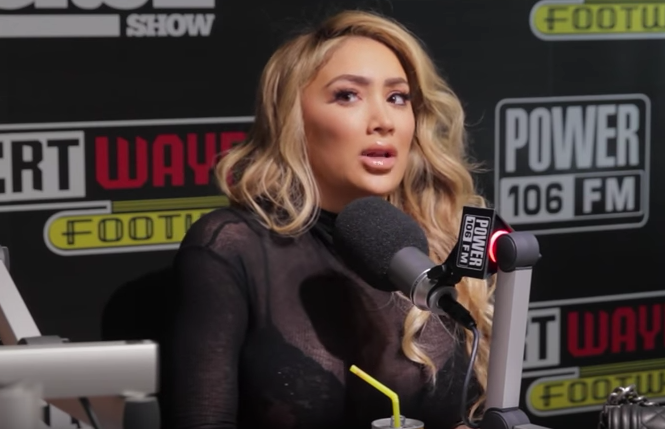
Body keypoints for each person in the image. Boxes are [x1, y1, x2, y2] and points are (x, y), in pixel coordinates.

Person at [159, 9, 493, 429]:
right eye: (348, 95)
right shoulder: (230, 246)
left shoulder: (439, 239)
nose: (384, 122)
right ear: (293, 119)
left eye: (397, 97)